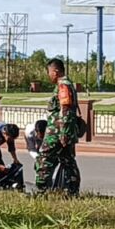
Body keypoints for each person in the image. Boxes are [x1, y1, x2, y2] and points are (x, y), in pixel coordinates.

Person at [35, 59, 82, 194]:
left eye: (49, 72)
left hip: (57, 132)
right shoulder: (68, 84)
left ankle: (42, 191)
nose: (49, 75)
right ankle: (72, 191)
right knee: (68, 161)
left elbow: (65, 109)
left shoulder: (63, 85)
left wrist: (63, 133)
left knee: (44, 158)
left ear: (55, 72)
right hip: (65, 131)